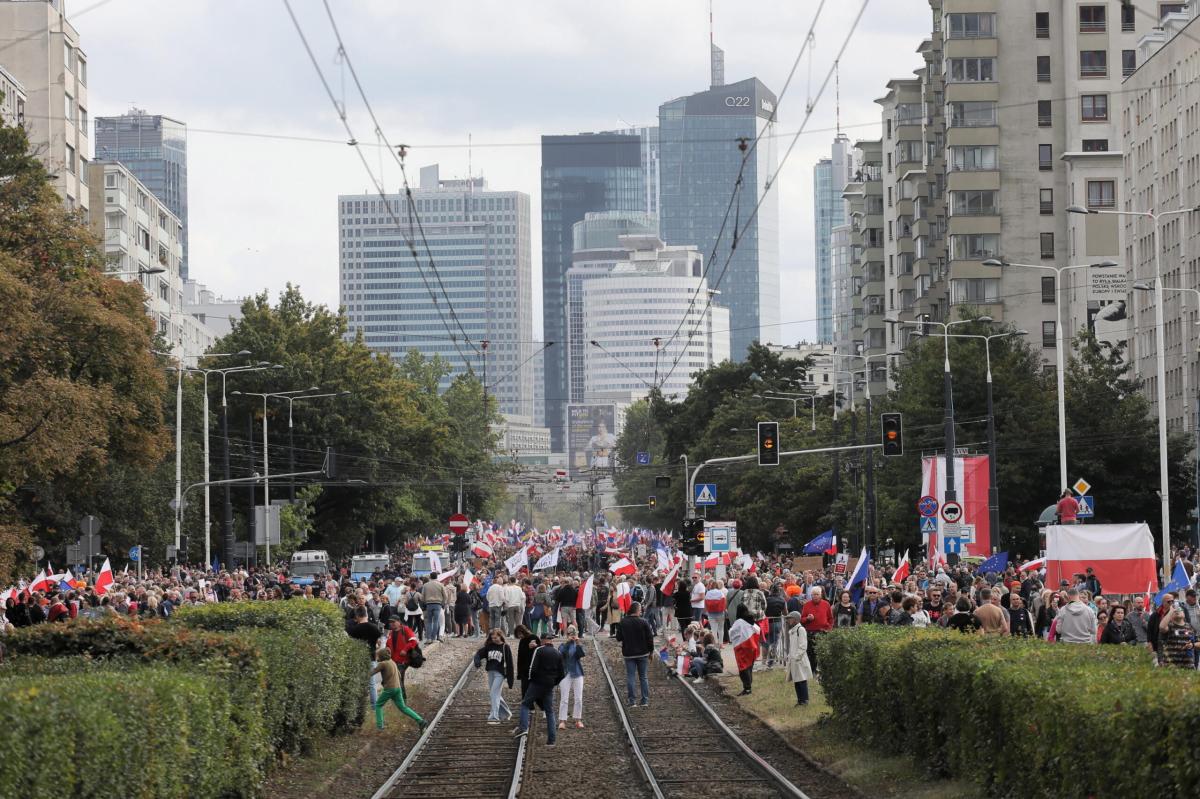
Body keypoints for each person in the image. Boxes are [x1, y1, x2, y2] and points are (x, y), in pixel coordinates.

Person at [513, 633, 565, 746]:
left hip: (537, 683)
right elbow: (562, 673)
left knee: (525, 704)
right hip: (550, 685)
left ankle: (523, 727)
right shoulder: (558, 653)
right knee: (549, 711)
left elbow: (533, 667)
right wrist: (554, 682)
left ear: (543, 640)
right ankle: (551, 740)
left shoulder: (539, 650)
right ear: (551, 641)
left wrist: (531, 680)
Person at [373, 648, 424, 731]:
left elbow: (373, 672)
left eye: (378, 656)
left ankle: (380, 727)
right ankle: (420, 721)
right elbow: (399, 675)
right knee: (403, 707)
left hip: (389, 689)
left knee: (378, 705)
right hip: (398, 688)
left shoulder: (383, 664)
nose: (377, 657)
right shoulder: (392, 662)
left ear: (381, 656)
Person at [615, 601, 654, 707]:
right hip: (643, 653)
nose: (641, 611)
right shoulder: (644, 622)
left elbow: (618, 638)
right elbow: (650, 638)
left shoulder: (623, 622)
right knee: (643, 677)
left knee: (631, 677)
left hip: (629, 653)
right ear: (637, 610)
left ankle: (632, 701)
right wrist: (651, 651)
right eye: (640, 609)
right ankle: (645, 700)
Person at [474, 628, 515, 724]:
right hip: (490, 673)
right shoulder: (489, 646)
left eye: (496, 637)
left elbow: (510, 664)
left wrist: (510, 680)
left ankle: (494, 717)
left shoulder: (505, 647)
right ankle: (506, 712)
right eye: (492, 638)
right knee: (495, 694)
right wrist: (477, 660)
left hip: (500, 674)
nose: (494, 639)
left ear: (500, 636)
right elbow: (479, 653)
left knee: (494, 694)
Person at [557, 625, 586, 729]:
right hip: (565, 674)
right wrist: (567, 642)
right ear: (567, 635)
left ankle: (578, 719)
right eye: (570, 634)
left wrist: (578, 643)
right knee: (564, 698)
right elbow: (561, 654)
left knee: (578, 698)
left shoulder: (578, 645)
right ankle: (562, 720)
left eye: (574, 634)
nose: (572, 636)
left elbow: (581, 654)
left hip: (577, 673)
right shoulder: (562, 645)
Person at [385, 616, 420, 697]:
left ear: (399, 622)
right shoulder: (391, 632)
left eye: (393, 622)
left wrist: (405, 649)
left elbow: (413, 641)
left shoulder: (406, 629)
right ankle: (399, 699)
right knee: (394, 680)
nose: (391, 624)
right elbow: (388, 645)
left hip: (403, 660)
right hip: (394, 660)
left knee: (398, 680)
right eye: (390, 622)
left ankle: (402, 700)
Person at [729, 605, 760, 696]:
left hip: (743, 647)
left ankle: (747, 689)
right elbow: (758, 630)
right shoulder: (751, 620)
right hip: (752, 647)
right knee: (749, 666)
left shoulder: (739, 622)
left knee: (743, 667)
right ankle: (748, 686)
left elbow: (732, 632)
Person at [784, 611, 813, 706]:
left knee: (801, 680)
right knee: (796, 681)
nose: (788, 620)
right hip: (793, 659)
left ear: (795, 619)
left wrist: (797, 657)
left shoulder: (800, 629)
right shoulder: (792, 630)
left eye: (790, 618)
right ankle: (800, 700)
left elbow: (803, 646)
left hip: (799, 660)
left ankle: (804, 700)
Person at [704, 580, 728, 646]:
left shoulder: (708, 593)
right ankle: (721, 644)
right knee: (721, 629)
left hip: (711, 614)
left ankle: (715, 643)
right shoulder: (720, 593)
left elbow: (705, 603)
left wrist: (706, 610)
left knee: (713, 629)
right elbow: (724, 602)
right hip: (720, 613)